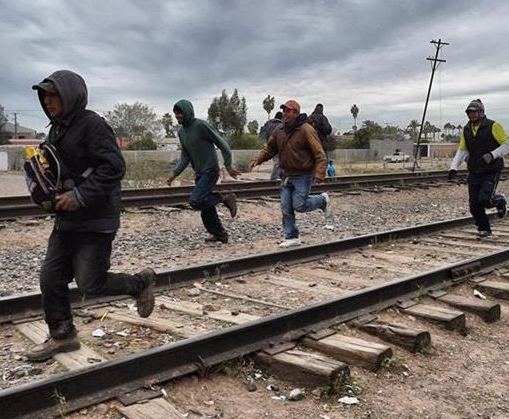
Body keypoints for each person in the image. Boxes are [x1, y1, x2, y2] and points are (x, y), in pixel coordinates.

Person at [25, 70, 156, 362]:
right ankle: (63, 336)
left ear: (70, 95)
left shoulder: (92, 125)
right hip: (67, 218)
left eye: (53, 94)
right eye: (44, 95)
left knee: (89, 282)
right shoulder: (56, 129)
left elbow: (114, 167)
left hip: (96, 219)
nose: (47, 101)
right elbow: (63, 168)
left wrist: (80, 195)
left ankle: (139, 284)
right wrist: (48, 182)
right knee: (50, 277)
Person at [249, 99, 332, 247]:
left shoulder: (306, 130)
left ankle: (322, 200)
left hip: (303, 174)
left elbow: (319, 154)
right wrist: (258, 160)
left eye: (288, 111)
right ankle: (292, 236)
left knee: (299, 205)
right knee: (286, 207)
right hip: (286, 174)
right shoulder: (279, 130)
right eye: (284, 110)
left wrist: (320, 174)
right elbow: (270, 149)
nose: (285, 113)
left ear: (296, 113)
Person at [167, 99, 240, 244]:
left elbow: (222, 143)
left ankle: (225, 198)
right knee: (206, 207)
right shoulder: (181, 133)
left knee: (196, 200)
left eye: (180, 113)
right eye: (176, 114)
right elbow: (185, 156)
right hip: (199, 172)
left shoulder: (201, 126)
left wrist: (228, 165)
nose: (177, 116)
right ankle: (220, 234)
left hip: (210, 170)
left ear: (187, 111)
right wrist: (175, 173)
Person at [448, 99, 509, 238]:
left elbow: (507, 144)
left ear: (481, 112)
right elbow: (462, 150)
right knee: (474, 204)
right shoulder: (466, 130)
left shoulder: (493, 126)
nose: (472, 115)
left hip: (491, 169)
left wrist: (492, 155)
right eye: (469, 112)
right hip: (474, 170)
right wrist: (453, 167)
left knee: (485, 200)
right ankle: (484, 229)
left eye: (474, 112)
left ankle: (500, 200)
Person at [259, 111, 284, 180]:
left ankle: (280, 177)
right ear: (281, 117)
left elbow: (265, 135)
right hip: (277, 146)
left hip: (270, 145)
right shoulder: (279, 125)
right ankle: (274, 177)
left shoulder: (269, 125)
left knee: (279, 162)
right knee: (278, 162)